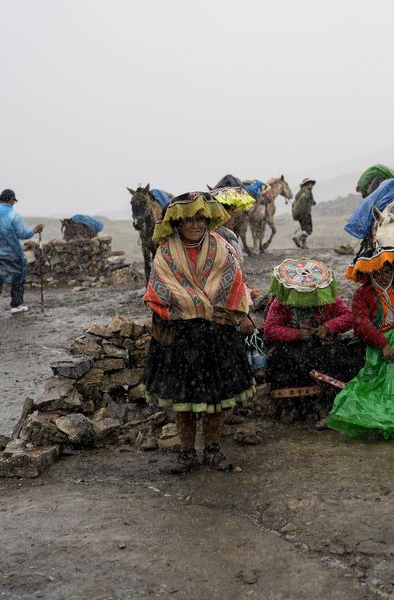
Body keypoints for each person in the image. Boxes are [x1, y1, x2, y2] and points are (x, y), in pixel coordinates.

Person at [142, 192, 255, 474]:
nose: (195, 224)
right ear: (178, 222)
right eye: (189, 219)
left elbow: (235, 285)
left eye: (200, 219)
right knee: (184, 402)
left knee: (215, 399)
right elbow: (160, 289)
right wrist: (195, 306)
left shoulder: (222, 249)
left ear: (207, 221)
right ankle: (187, 453)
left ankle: (213, 451)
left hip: (217, 334)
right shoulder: (165, 253)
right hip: (181, 337)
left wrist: (224, 312)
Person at [263, 258, 364, 426]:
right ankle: (291, 406)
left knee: (334, 360)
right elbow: (270, 328)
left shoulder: (326, 296)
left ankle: (327, 407)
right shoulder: (282, 300)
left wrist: (328, 327)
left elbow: (349, 317)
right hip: (293, 347)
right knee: (283, 360)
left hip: (323, 345)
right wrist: (296, 334)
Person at [0, 189, 44, 319]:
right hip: (11, 253)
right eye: (14, 201)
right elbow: (22, 234)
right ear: (10, 200)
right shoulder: (14, 215)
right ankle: (16, 305)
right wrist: (35, 230)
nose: (14, 203)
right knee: (18, 275)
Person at [291, 178, 316, 249]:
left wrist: (312, 202)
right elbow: (304, 198)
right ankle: (298, 238)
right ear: (306, 185)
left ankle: (303, 245)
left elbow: (295, 203)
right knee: (309, 230)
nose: (312, 186)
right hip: (305, 213)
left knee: (304, 229)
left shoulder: (300, 192)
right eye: (310, 184)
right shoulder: (307, 192)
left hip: (298, 214)